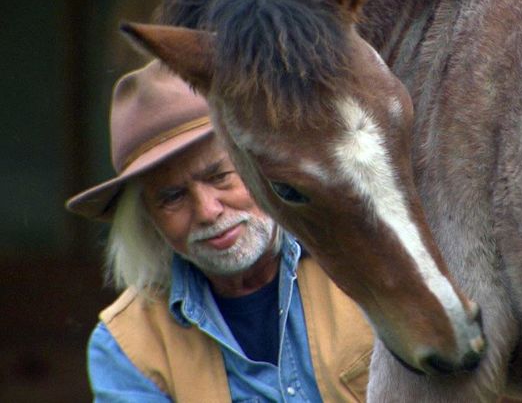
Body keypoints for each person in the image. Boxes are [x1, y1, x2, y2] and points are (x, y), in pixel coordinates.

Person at [67, 60, 374, 402]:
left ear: (263, 165)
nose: (207, 211)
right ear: (147, 220)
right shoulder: (127, 344)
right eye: (172, 197)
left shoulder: (368, 266)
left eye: (220, 176)